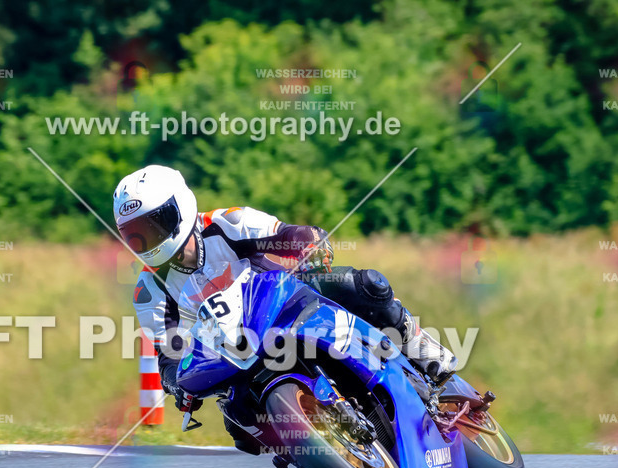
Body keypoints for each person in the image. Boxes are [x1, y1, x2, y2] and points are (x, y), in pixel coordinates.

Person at [114, 164, 456, 450]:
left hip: (288, 304)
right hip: (234, 355)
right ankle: (324, 452)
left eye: (156, 224)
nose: (151, 239)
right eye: (138, 234)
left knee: (365, 285)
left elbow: (288, 234)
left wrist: (309, 246)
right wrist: (179, 386)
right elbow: (168, 355)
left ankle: (417, 342)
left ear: (182, 207)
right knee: (242, 430)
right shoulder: (149, 290)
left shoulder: (227, 222)